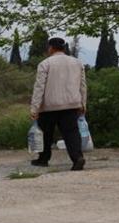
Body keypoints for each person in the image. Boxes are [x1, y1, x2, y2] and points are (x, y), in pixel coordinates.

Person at [29, 37, 87, 170]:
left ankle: (43, 159)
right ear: (64, 48)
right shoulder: (77, 63)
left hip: (49, 105)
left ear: (51, 48)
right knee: (72, 133)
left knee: (46, 133)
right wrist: (83, 103)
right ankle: (77, 158)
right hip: (71, 104)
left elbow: (39, 87)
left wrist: (34, 108)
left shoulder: (45, 64)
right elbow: (83, 85)